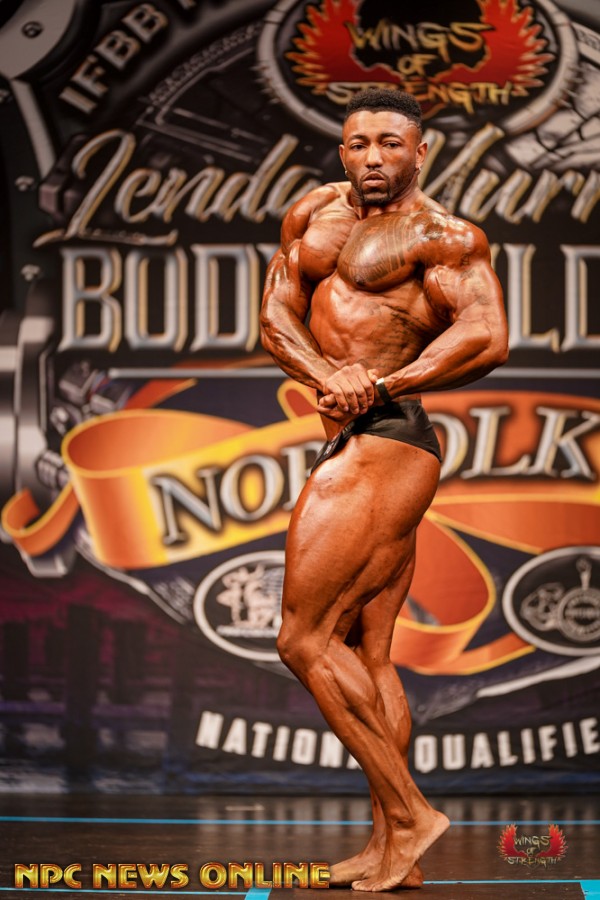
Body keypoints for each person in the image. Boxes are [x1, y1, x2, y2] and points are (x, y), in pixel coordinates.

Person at [260, 88, 508, 892]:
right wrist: (328, 374)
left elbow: (487, 335)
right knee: (369, 653)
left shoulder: (443, 237)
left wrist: (380, 383)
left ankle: (409, 815)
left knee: (302, 639)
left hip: (391, 438)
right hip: (355, 431)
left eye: (391, 144)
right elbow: (275, 317)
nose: (374, 157)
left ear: (420, 152)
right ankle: (390, 851)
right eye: (360, 143)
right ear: (342, 150)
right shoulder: (312, 216)